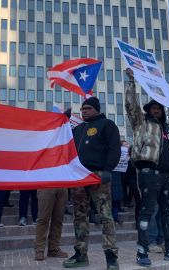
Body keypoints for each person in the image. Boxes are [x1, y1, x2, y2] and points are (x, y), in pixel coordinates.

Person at [125, 68, 169, 266]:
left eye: (159, 108)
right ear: (148, 110)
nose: (156, 110)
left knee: (168, 214)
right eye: (153, 108)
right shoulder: (141, 123)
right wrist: (131, 82)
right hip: (148, 172)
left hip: (168, 175)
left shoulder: (168, 130)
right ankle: (142, 251)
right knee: (147, 211)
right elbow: (130, 105)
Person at [62, 96, 121, 270]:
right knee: (79, 216)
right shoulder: (78, 129)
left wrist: (108, 170)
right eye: (82, 109)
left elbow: (114, 148)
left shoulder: (107, 125)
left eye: (87, 108)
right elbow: (65, 141)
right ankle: (81, 255)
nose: (84, 111)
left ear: (96, 109)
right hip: (80, 176)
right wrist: (63, 122)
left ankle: (111, 257)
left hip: (98, 175)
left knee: (105, 215)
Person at [34, 188, 69, 260]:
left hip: (63, 184)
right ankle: (39, 250)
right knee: (43, 218)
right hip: (46, 183)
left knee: (58, 219)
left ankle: (53, 248)